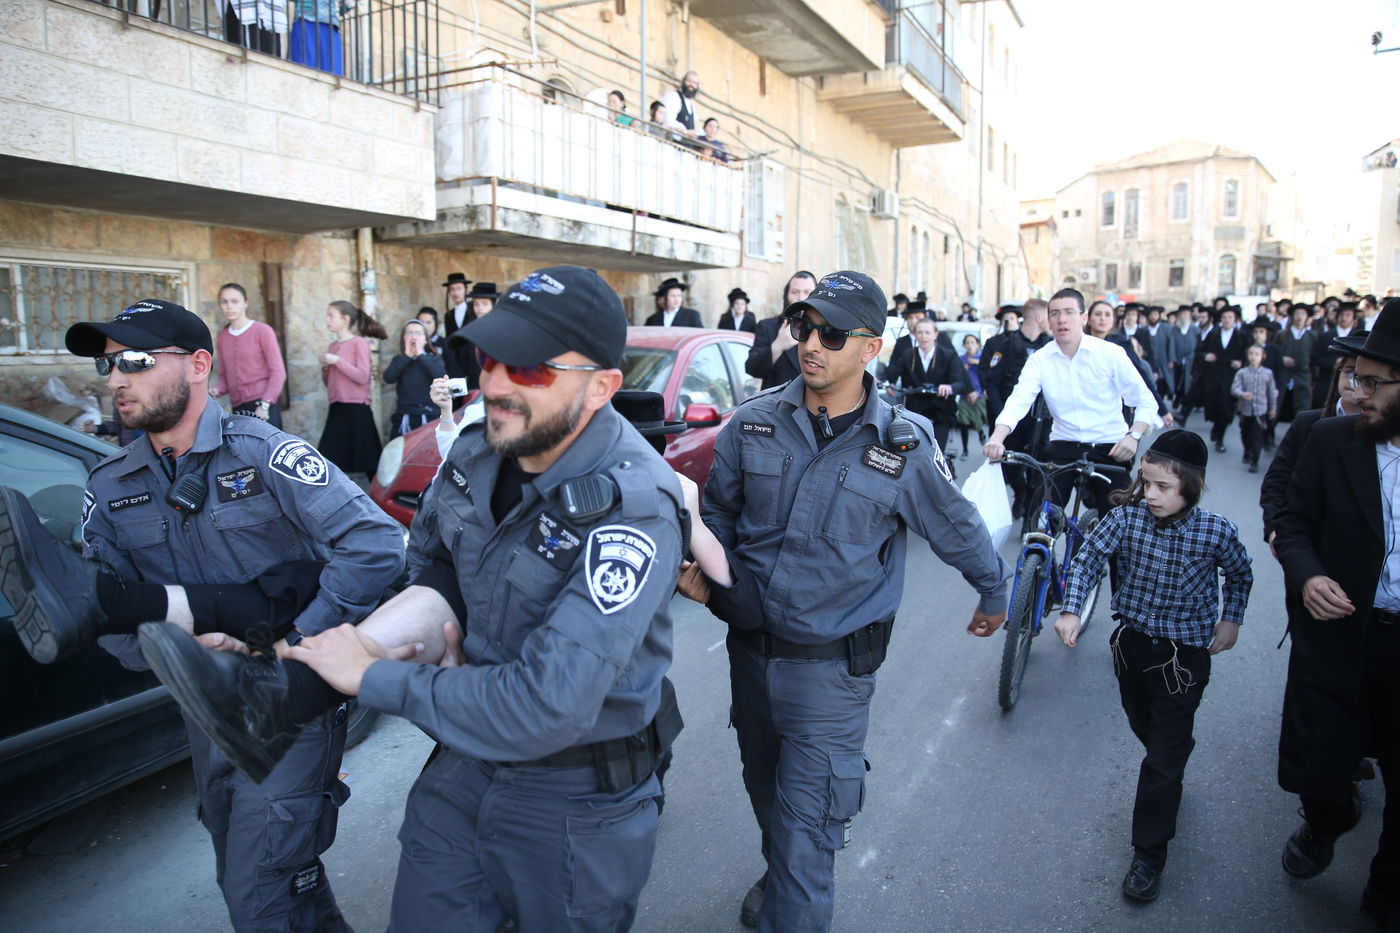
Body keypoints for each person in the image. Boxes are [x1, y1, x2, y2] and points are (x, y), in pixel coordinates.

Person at [132, 266, 687, 931]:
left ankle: (279, 698)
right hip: (464, 765)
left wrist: (376, 677)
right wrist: (307, 644)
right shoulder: (479, 452)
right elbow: (429, 572)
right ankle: (274, 694)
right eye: (489, 357)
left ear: (602, 386)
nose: (496, 384)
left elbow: (549, 706)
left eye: (530, 370)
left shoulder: (633, 505)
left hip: (574, 797)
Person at [0, 298, 404, 931]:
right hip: (203, 711)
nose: (116, 379)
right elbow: (97, 609)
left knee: (262, 889)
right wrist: (175, 652)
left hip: (288, 703)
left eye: (133, 360)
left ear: (197, 365)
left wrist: (298, 644)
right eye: (107, 366)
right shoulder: (107, 485)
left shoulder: (263, 452)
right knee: (256, 872)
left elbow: (376, 543)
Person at [685, 270, 1009, 932]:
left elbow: (956, 525)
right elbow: (716, 515)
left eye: (833, 334)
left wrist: (995, 590)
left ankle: (792, 883)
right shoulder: (750, 426)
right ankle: (782, 870)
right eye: (806, 327)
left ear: (871, 346)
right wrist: (708, 575)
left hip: (832, 676)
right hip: (749, 659)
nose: (813, 344)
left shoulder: (902, 445)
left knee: (809, 838)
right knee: (768, 795)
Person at [1053, 429, 1252, 902]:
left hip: (1184, 659)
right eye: (1147, 483)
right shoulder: (1125, 520)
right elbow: (1085, 562)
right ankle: (1171, 754)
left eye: (1164, 486)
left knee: (1161, 760)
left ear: (1192, 486)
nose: (1152, 495)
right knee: (1147, 728)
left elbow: (1240, 572)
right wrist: (1071, 609)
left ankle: (1148, 855)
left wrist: (1231, 620)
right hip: (1132, 650)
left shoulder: (1215, 530)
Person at [1272, 303, 1400, 929]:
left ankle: (1384, 891)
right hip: (1338, 636)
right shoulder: (1330, 440)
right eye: (1356, 377)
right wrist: (1309, 574)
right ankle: (1327, 820)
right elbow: (1292, 523)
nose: (1357, 392)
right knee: (1320, 769)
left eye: (1375, 382)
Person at [983, 288, 1162, 520]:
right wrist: (997, 437)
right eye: (1055, 313)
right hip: (1063, 445)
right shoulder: (1040, 359)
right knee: (1041, 517)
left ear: (1083, 318)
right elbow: (1019, 400)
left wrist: (1133, 436)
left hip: (1109, 445)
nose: (1062, 319)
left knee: (1120, 523)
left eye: (1069, 312)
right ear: (1048, 320)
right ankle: (1040, 551)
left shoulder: (1110, 353)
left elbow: (1146, 401)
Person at [1259, 332, 1366, 547]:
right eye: (1349, 371)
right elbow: (1277, 482)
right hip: (1307, 540)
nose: (1353, 381)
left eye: (1364, 377)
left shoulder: (1383, 431)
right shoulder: (1307, 423)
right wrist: (1275, 529)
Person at [884, 317, 967, 463]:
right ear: (915, 335)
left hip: (941, 412)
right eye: (920, 333)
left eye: (927, 332)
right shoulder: (909, 355)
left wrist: (949, 387)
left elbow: (960, 384)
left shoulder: (948, 356)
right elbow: (892, 372)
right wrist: (888, 383)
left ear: (936, 335)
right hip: (915, 412)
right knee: (912, 453)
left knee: (936, 452)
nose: (924, 337)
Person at [320, 300, 386, 480]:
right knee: (327, 458)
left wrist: (337, 362)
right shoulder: (332, 347)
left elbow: (363, 377)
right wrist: (326, 368)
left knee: (370, 460)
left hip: (357, 407)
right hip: (337, 407)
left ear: (345, 319)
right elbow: (328, 382)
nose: (327, 320)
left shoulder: (359, 343)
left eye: (330, 316)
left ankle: (380, 500)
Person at [209, 282, 286, 429]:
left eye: (235, 301)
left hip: (263, 406)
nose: (229, 306)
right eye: (224, 302)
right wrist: (215, 390)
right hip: (238, 409)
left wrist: (265, 405)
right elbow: (225, 378)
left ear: (246, 303)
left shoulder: (262, 331)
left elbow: (278, 372)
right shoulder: (222, 338)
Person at [745, 271, 817, 389]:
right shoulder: (767, 327)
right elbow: (752, 369)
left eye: (807, 292)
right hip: (776, 404)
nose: (801, 298)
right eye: (795, 292)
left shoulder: (825, 330)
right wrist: (778, 346)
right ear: (786, 296)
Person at [1194, 305, 1247, 453]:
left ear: (1235, 319)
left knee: (1226, 406)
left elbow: (1247, 354)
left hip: (1231, 375)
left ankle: (1220, 437)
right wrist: (1206, 356)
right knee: (1213, 405)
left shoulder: (1241, 336)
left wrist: (1241, 362)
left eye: (1230, 317)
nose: (1227, 320)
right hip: (1213, 375)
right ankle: (1216, 427)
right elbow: (1200, 350)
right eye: (1224, 317)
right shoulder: (1213, 333)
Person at [384, 318, 447, 438]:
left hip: (429, 415)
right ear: (404, 338)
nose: (414, 337)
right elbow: (388, 378)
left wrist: (420, 355)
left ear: (425, 339)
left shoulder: (434, 359)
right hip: (405, 416)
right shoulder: (400, 360)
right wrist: (407, 355)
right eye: (409, 333)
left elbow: (441, 376)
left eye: (418, 333)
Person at [1231, 344, 1277, 473]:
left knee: (1257, 436)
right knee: (1245, 433)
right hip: (1245, 411)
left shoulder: (1268, 373)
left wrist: (1272, 408)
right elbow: (1234, 388)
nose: (1253, 357)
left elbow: (1271, 393)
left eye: (1257, 354)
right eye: (1251, 353)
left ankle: (1254, 460)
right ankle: (1247, 451)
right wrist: (1242, 394)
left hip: (1260, 411)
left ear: (1263, 356)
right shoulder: (1242, 372)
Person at [1274, 303, 1315, 422]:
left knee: (1302, 408)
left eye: (1302, 313)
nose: (1299, 316)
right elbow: (1273, 354)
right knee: (1278, 405)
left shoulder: (1311, 336)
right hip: (1283, 376)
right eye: (1297, 313)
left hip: (1303, 376)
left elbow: (1314, 359)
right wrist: (1281, 359)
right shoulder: (1281, 335)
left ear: (1307, 316)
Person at [288, 0, 345, 75]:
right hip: (306, 18)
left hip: (328, 23)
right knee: (303, 68)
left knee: (332, 73)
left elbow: (347, 5)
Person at [956, 333, 988, 460]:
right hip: (964, 395)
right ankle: (965, 450)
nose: (970, 345)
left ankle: (980, 433)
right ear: (964, 345)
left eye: (972, 342)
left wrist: (977, 363)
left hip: (979, 394)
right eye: (967, 343)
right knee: (963, 421)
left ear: (978, 344)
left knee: (977, 421)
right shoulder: (961, 359)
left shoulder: (982, 358)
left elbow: (988, 373)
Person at [660, 70, 701, 136]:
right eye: (689, 81)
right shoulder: (674, 96)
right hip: (672, 142)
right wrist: (685, 131)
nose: (691, 85)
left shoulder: (692, 106)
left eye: (694, 83)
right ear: (683, 82)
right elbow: (668, 121)